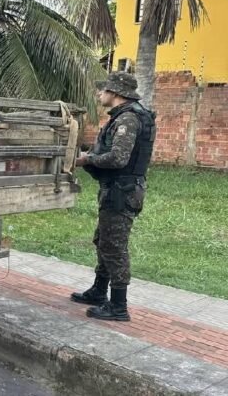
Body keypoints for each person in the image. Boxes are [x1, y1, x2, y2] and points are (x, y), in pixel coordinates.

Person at [72, 72, 157, 322]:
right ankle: (99, 291)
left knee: (115, 247)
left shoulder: (129, 119)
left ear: (116, 93)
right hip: (117, 189)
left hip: (123, 192)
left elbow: (119, 158)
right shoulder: (125, 116)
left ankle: (119, 306)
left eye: (104, 90)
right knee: (104, 241)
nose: (100, 94)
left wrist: (86, 160)